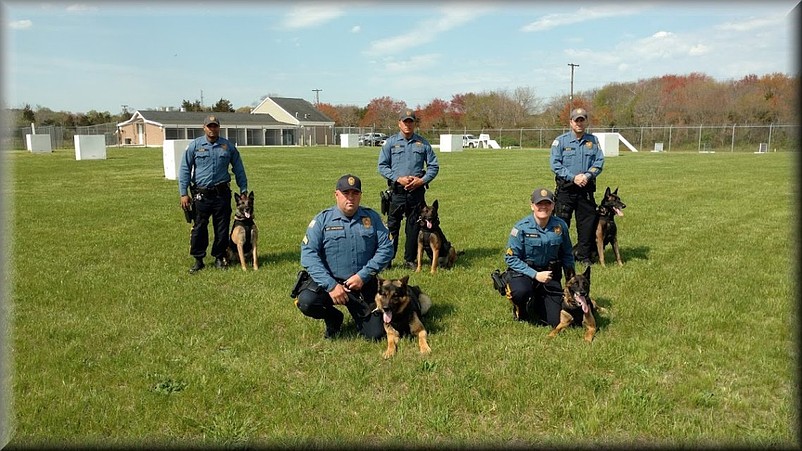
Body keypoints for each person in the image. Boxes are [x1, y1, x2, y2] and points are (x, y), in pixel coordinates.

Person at [295, 174, 394, 339]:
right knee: (306, 301)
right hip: (330, 283)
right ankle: (333, 318)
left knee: (376, 334)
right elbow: (308, 254)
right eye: (345, 193)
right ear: (336, 195)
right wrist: (331, 286)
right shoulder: (322, 220)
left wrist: (363, 276)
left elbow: (387, 248)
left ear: (360, 195)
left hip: (362, 284)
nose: (350, 198)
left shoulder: (372, 218)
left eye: (355, 193)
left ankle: (361, 318)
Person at [178, 114, 248, 274]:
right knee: (199, 228)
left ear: (219, 127)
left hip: (221, 194)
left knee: (222, 228)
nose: (212, 129)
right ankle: (198, 259)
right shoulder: (195, 146)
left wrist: (243, 189)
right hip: (201, 195)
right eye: (209, 126)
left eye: (215, 126)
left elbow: (239, 168)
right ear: (204, 127)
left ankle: (219, 256)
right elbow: (184, 169)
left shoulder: (227, 147)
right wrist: (183, 193)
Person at [377, 109, 439, 269]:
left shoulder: (423, 143)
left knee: (413, 227)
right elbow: (382, 166)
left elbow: (433, 166)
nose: (408, 124)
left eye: (411, 121)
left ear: (414, 124)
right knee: (392, 227)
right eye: (405, 121)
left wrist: (422, 180)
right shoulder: (390, 143)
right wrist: (398, 178)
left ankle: (410, 260)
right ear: (399, 123)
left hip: (416, 193)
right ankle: (387, 260)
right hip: (397, 192)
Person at [503, 187, 575, 326]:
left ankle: (536, 301)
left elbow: (567, 254)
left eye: (547, 203)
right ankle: (520, 308)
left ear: (553, 206)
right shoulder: (521, 228)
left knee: (554, 321)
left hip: (549, 275)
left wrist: (571, 278)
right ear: (532, 206)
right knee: (520, 291)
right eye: (539, 204)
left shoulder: (560, 226)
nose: (543, 207)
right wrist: (535, 275)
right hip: (525, 274)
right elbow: (510, 258)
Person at [549, 107, 605, 266]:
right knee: (560, 224)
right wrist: (573, 178)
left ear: (586, 122)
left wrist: (587, 176)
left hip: (585, 189)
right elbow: (555, 164)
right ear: (571, 122)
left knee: (587, 224)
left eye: (582, 120)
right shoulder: (561, 141)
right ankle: (558, 256)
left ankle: (583, 256)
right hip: (566, 189)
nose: (579, 123)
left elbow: (599, 163)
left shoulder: (593, 141)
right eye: (576, 120)